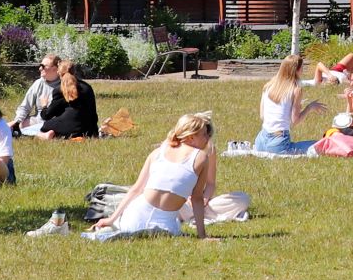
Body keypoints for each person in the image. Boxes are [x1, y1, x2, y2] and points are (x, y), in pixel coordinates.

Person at [85, 113, 219, 240]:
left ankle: (113, 228)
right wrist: (202, 235)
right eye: (204, 135)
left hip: (135, 217)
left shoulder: (157, 152)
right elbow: (197, 198)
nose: (207, 139)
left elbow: (136, 189)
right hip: (165, 223)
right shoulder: (201, 157)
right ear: (191, 137)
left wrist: (112, 219)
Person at [254, 54, 317, 156]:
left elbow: (263, 116)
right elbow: (295, 121)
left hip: (260, 142)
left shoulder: (268, 85)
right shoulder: (296, 90)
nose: (303, 71)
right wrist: (309, 107)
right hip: (278, 143)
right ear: (297, 70)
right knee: (318, 145)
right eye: (302, 68)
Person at [35, 62, 99, 140]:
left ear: (58, 73)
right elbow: (93, 112)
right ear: (75, 71)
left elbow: (47, 115)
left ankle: (48, 135)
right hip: (89, 130)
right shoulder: (87, 87)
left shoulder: (59, 90)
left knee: (44, 126)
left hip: (70, 128)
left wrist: (44, 105)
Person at [15, 54, 66, 132]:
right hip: (38, 119)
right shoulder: (38, 83)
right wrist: (16, 122)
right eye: (40, 65)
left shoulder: (65, 84)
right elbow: (25, 107)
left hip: (57, 121)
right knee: (21, 124)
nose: (40, 68)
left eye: (43, 66)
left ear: (55, 69)